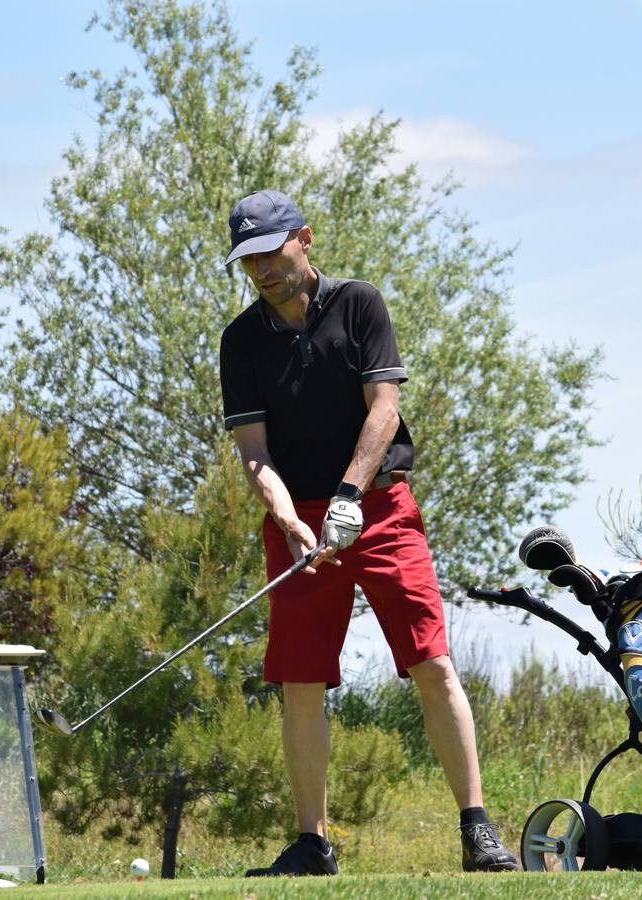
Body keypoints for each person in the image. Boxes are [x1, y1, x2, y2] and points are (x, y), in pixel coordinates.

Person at [218, 190, 519, 877]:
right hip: (298, 524)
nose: (262, 270)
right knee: (298, 678)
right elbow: (255, 452)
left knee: (430, 661)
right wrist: (289, 516)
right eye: (248, 260)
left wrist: (350, 495)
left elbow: (384, 410)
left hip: (378, 508)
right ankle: (311, 843)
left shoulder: (359, 304)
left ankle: (477, 829)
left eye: (271, 252)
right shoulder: (242, 341)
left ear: (305, 238)